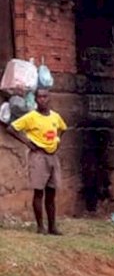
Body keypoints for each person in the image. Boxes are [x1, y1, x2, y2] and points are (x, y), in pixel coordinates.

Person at [5, 88, 67, 235]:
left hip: (53, 156)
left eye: (45, 97)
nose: (42, 100)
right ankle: (40, 226)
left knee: (51, 193)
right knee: (39, 192)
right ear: (35, 100)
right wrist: (27, 143)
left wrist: (58, 141)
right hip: (38, 156)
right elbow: (11, 128)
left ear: (49, 98)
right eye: (39, 97)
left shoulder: (55, 116)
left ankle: (52, 227)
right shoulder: (31, 117)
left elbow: (63, 128)